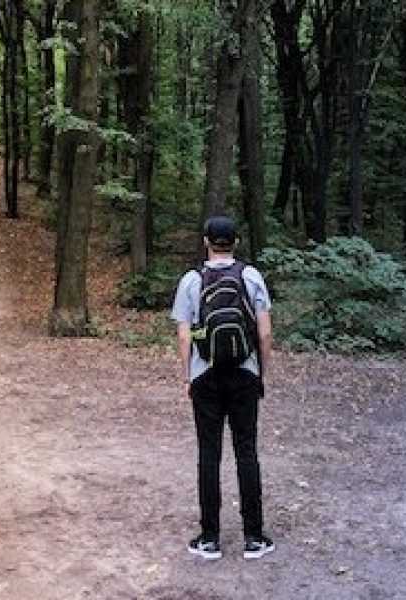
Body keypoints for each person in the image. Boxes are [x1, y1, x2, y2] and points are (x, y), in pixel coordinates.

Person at [170, 215, 275, 560]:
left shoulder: (191, 280)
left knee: (208, 452)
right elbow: (264, 332)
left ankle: (210, 538)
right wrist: (263, 373)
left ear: (206, 242)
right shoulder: (250, 276)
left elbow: (184, 334)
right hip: (245, 373)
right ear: (235, 242)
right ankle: (254, 538)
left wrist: (187, 376)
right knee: (246, 450)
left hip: (205, 375)